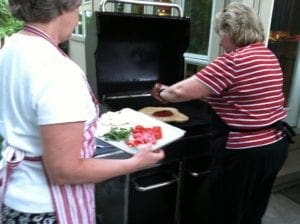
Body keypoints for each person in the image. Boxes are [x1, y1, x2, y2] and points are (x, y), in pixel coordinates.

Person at [0, 0, 164, 223]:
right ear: (62, 8)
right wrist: (134, 163)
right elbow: (64, 171)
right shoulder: (56, 71)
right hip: (47, 210)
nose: (78, 18)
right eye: (77, 8)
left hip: (16, 198)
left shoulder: (13, 47)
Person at [151, 2, 292, 224]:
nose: (219, 40)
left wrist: (161, 93)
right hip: (275, 146)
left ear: (232, 31)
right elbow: (243, 95)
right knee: (252, 208)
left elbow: (178, 92)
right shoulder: (267, 55)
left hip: (245, 153)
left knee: (224, 211)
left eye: (221, 34)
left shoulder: (233, 61)